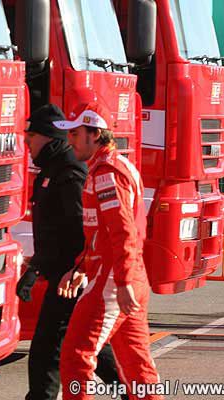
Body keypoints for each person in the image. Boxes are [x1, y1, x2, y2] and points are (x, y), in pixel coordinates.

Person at [16, 104, 127, 400]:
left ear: (48, 136)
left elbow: (84, 231)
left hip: (72, 277)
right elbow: (55, 230)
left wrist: (76, 271)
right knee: (88, 347)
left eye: (31, 137)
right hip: (65, 274)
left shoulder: (70, 172)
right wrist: (36, 267)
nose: (26, 144)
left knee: (47, 351)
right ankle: (130, 392)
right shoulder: (53, 170)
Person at [55, 102, 161, 400]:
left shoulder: (106, 172)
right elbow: (101, 233)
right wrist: (80, 269)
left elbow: (122, 231)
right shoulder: (115, 166)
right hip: (125, 276)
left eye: (76, 133)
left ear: (96, 134)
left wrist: (122, 280)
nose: (70, 140)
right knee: (138, 369)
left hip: (116, 279)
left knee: (76, 357)